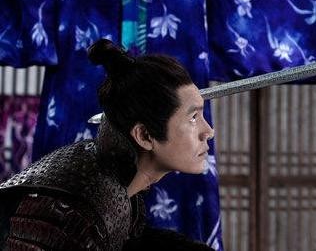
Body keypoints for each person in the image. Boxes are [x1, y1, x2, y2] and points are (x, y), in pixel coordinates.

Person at [0, 39, 215, 250]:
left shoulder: (123, 185)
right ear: (144, 136)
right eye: (193, 118)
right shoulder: (74, 212)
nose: (209, 131)